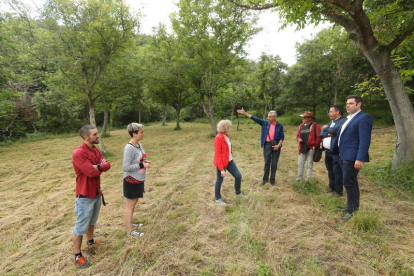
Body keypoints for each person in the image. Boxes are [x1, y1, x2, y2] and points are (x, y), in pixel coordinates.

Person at [71, 125, 111, 269]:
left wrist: (97, 167)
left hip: (96, 192)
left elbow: (108, 164)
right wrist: (99, 167)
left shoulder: (95, 149)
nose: (98, 136)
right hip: (84, 195)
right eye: (95, 134)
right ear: (86, 137)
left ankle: (90, 241)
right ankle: (77, 255)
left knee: (92, 221)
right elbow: (91, 172)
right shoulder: (78, 153)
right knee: (80, 226)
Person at [336, 95, 373, 221]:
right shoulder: (348, 119)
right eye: (347, 103)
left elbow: (364, 140)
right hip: (343, 155)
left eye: (351, 103)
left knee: (350, 183)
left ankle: (352, 211)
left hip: (352, 157)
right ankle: (349, 207)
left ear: (359, 104)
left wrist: (360, 158)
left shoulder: (364, 118)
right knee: (347, 182)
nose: (347, 105)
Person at [236, 108, 284, 186]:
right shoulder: (265, 123)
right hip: (267, 145)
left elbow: (282, 137)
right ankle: (265, 180)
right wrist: (245, 113)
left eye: (270, 116)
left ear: (274, 117)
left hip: (276, 145)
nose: (268, 118)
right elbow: (254, 118)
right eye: (268, 116)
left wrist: (279, 145)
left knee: (274, 163)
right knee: (267, 163)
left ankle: (272, 180)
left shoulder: (280, 126)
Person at [122, 123, 152, 236]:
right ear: (134, 134)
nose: (143, 134)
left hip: (139, 179)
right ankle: (129, 231)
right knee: (130, 205)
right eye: (141, 132)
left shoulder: (139, 145)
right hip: (131, 180)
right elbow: (125, 167)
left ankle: (130, 223)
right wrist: (142, 166)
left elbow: (140, 159)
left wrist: (145, 162)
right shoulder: (129, 148)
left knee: (134, 204)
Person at [213, 119, 247, 206]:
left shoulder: (226, 135)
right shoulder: (218, 138)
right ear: (225, 127)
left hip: (229, 161)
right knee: (219, 180)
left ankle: (237, 193)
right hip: (222, 163)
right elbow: (218, 154)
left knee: (238, 176)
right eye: (229, 127)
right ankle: (217, 199)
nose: (230, 128)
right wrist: (221, 169)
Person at [319, 105, 347, 197]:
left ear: (338, 112)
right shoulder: (331, 122)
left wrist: (327, 128)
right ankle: (332, 187)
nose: (329, 113)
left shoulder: (343, 121)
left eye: (331, 111)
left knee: (337, 171)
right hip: (328, 151)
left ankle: (338, 191)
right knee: (330, 170)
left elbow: (335, 130)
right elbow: (321, 134)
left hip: (336, 151)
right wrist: (329, 132)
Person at [295, 112, 322, 182]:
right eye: (303, 117)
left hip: (311, 148)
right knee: (300, 164)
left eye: (304, 117)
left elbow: (319, 137)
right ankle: (299, 178)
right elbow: (297, 135)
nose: (303, 119)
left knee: (309, 164)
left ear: (309, 118)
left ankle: (308, 179)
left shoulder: (316, 126)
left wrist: (314, 145)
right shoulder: (301, 126)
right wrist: (298, 139)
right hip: (302, 147)